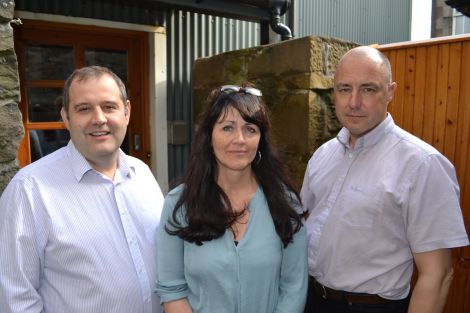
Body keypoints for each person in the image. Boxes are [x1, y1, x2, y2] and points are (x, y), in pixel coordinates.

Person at [301, 46, 469, 313]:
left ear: (390, 92)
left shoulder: (423, 165)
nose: (353, 102)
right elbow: (305, 223)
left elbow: (437, 275)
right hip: (311, 300)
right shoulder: (323, 155)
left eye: (368, 89)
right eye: (344, 89)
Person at [0, 65, 164, 313]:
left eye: (109, 107)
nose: (99, 119)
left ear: (127, 111)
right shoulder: (30, 190)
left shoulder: (142, 174)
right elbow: (15, 298)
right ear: (66, 117)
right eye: (84, 109)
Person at [156, 84, 308, 313]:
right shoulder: (179, 205)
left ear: (260, 140)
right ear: (208, 137)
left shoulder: (285, 204)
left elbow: (293, 288)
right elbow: (172, 290)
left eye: (250, 129)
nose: (240, 139)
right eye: (227, 128)